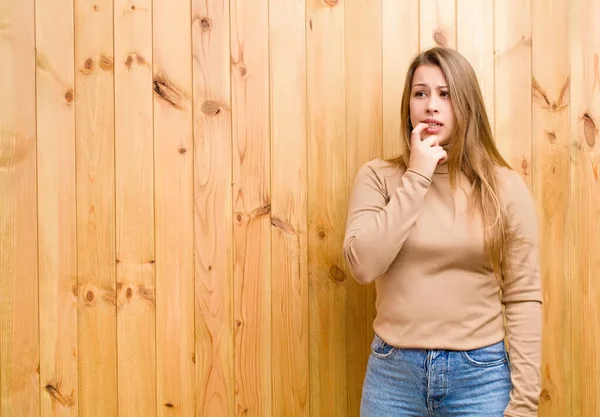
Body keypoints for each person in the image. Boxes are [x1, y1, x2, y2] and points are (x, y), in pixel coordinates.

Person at [343, 46, 542, 417]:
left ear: (466, 103)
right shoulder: (378, 178)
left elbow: (523, 296)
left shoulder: (505, 187)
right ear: (409, 106)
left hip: (480, 378)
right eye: (421, 93)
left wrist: (525, 403)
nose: (431, 105)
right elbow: (363, 265)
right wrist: (417, 174)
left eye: (445, 93)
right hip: (393, 377)